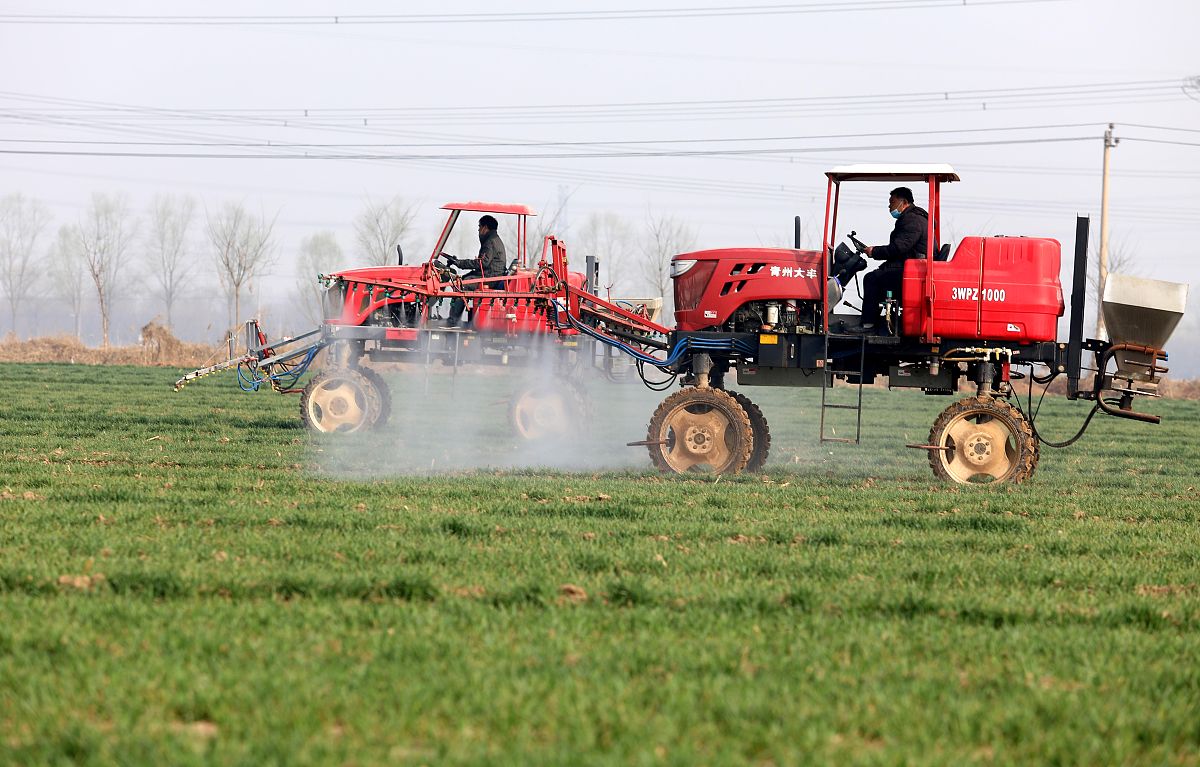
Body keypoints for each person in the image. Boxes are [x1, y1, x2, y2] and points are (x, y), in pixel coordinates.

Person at [855, 187, 929, 333]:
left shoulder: (912, 220)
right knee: (878, 274)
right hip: (911, 268)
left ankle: (868, 324)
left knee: (871, 279)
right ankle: (876, 320)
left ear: (904, 202)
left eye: (892, 202)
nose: (889, 206)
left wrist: (874, 251)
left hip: (912, 273)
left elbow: (899, 248)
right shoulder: (916, 218)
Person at [445, 215, 508, 327]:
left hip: (491, 278)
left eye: (479, 227)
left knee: (462, 285)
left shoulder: (490, 242)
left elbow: (482, 263)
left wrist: (459, 263)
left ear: (485, 228)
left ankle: (452, 321)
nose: (478, 230)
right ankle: (454, 319)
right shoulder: (494, 240)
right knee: (463, 279)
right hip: (491, 275)